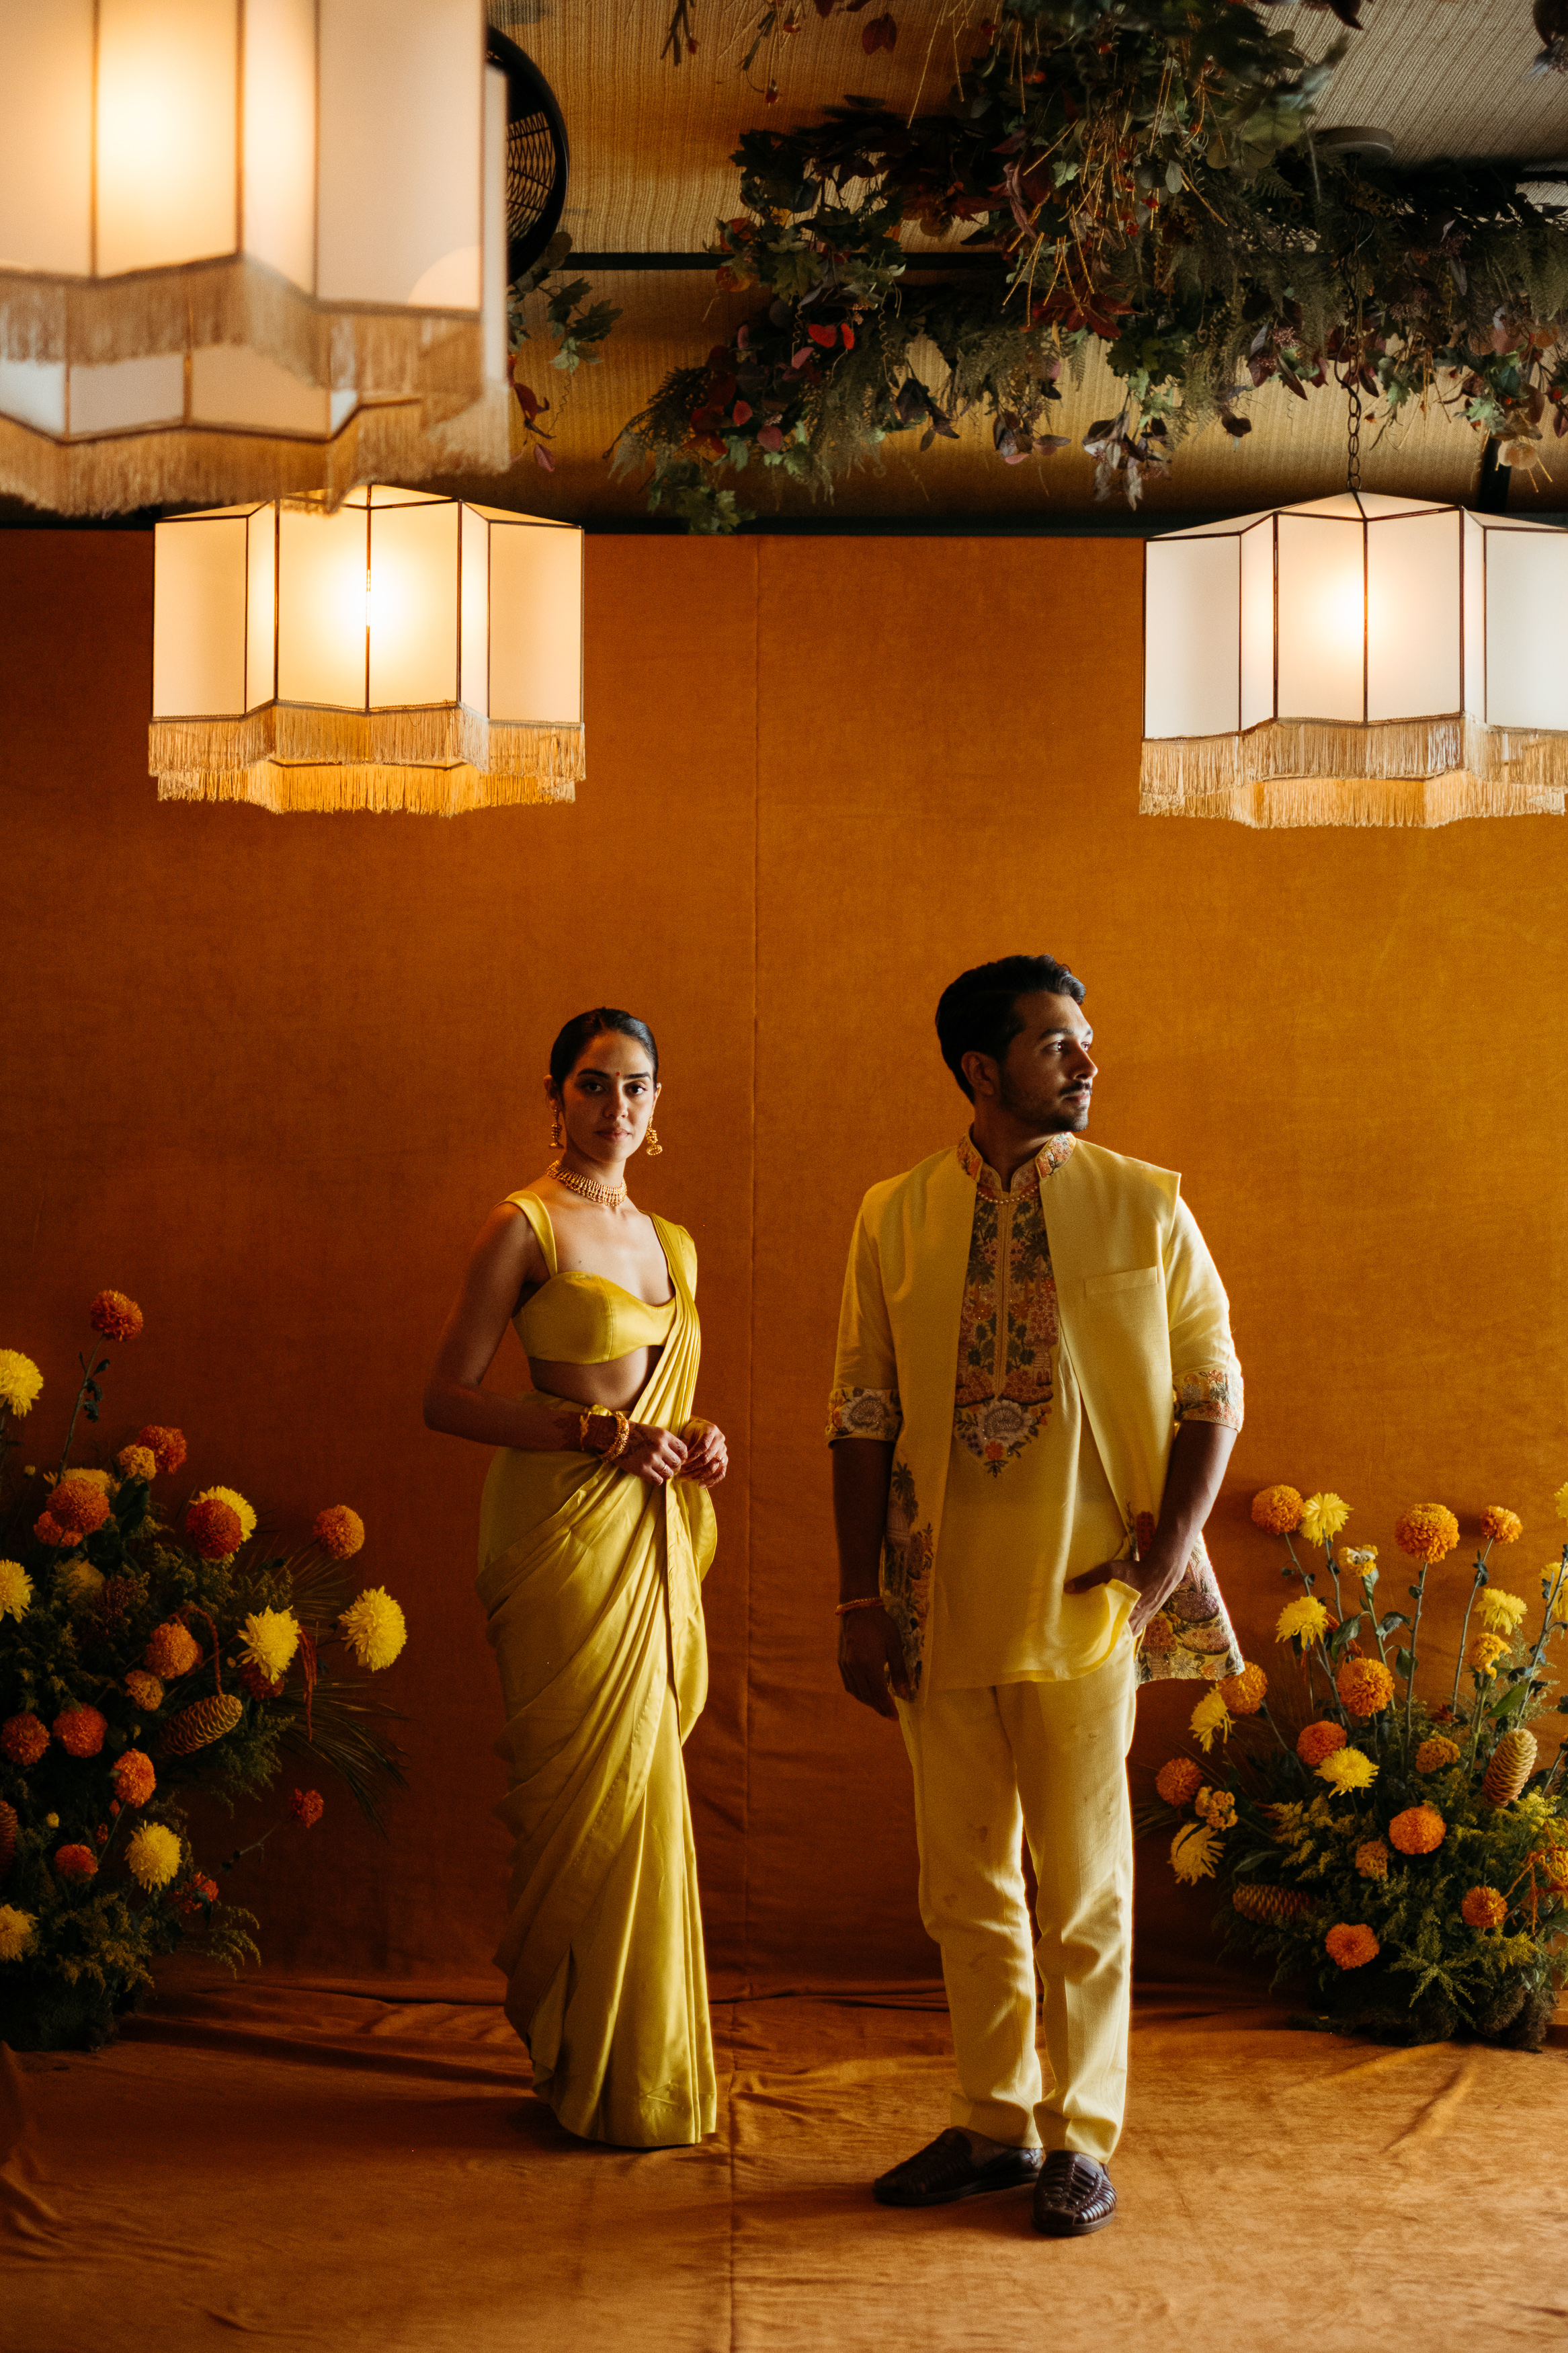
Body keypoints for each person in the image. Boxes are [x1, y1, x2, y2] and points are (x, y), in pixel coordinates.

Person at [827, 954, 1243, 2236]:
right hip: (934, 1597)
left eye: (1084, 1042)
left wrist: (1167, 1552)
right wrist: (857, 1598)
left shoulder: (1143, 1204)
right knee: (961, 1885)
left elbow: (1211, 1390)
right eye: (1057, 1044)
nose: (1085, 1064)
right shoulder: (893, 1214)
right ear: (979, 1067)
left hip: (1083, 1603)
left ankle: (1083, 2137)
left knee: (1086, 1887)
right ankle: (993, 2121)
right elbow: (859, 1410)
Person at [424, 1007, 727, 2149]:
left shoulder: (675, 1242)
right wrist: (587, 1438)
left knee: (646, 1781)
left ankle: (635, 2074)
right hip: (559, 1527)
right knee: (583, 1788)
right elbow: (444, 1397)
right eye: (595, 1085)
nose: (618, 1108)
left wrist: (696, 1438)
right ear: (553, 1093)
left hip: (649, 1530)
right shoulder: (522, 1226)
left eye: (638, 1087)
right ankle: (578, 2053)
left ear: (657, 1105)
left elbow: (659, 1395)